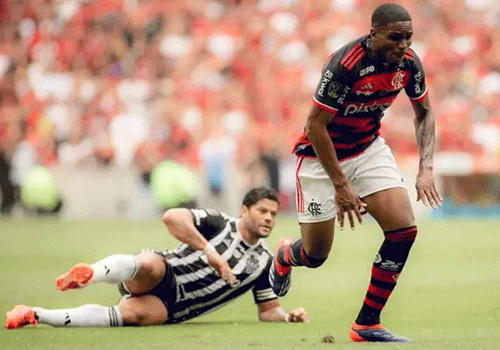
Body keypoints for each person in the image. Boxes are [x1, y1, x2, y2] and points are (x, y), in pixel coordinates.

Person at [269, 3, 442, 343]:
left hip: (366, 149)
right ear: (374, 33)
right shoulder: (345, 65)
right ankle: (286, 254)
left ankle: (367, 323)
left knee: (404, 229)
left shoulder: (409, 64)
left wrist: (426, 168)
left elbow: (425, 112)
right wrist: (341, 185)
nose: (403, 45)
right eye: (395, 37)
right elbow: (315, 126)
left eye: (408, 38)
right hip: (322, 159)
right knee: (316, 256)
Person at [5, 187, 310, 329]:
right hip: (167, 272)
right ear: (245, 211)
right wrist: (209, 251)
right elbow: (172, 217)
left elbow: (268, 310)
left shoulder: (265, 262)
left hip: (172, 308)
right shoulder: (219, 223)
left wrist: (287, 316)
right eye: (262, 211)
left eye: (273, 213)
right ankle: (91, 273)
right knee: (149, 264)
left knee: (131, 316)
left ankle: (34, 313)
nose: (269, 218)